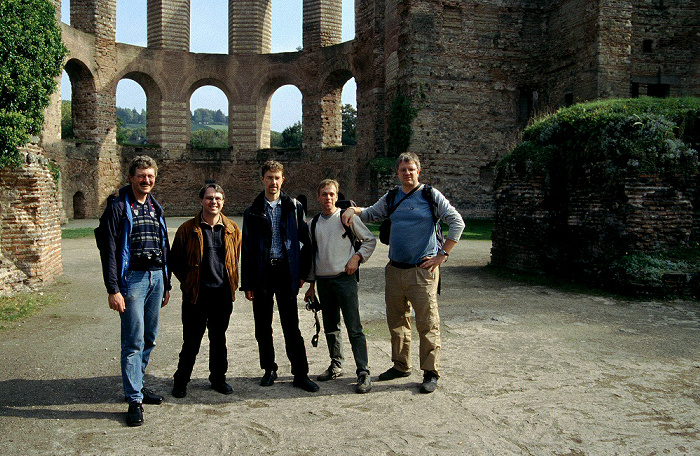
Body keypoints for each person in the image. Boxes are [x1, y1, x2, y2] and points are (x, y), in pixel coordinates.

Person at [342, 152, 465, 394]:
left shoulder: (430, 195)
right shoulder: (392, 197)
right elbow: (371, 214)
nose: (407, 173)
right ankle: (401, 365)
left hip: (422, 270)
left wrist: (443, 255)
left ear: (418, 171)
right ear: (397, 173)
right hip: (395, 270)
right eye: (403, 170)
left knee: (427, 323)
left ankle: (430, 372)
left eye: (411, 169)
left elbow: (457, 222)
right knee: (397, 321)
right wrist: (353, 211)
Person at [95, 155, 171, 426]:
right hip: (133, 280)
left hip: (155, 278)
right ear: (131, 177)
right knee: (133, 340)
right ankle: (134, 399)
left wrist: (166, 282)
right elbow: (110, 251)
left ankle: (137, 385)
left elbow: (164, 246)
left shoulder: (154, 207)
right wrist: (113, 288)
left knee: (149, 337)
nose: (146, 180)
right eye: (141, 175)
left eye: (150, 176)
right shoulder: (117, 206)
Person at [240, 160, 319, 392]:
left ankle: (300, 373)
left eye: (277, 178)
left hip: (285, 271)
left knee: (290, 325)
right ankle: (269, 369)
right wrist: (248, 283)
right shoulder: (252, 211)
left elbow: (306, 242)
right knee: (263, 325)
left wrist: (302, 273)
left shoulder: (293, 207)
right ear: (262, 179)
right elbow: (247, 248)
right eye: (269, 177)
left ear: (283, 180)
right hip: (263, 272)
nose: (273, 182)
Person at [304, 179, 377, 394]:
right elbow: (312, 256)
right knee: (331, 327)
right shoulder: (313, 224)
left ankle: (363, 371)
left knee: (354, 327)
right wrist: (311, 285)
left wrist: (357, 258)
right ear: (318, 197)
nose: (328, 198)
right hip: (324, 281)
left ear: (337, 197)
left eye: (331, 194)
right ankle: (336, 364)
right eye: (324, 194)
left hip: (345, 279)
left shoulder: (347, 218)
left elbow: (370, 240)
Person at [169, 184, 241, 398]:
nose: (214, 202)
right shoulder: (187, 229)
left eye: (218, 198)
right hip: (196, 295)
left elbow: (233, 259)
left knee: (219, 339)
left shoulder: (232, 229)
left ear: (223, 202)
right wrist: (190, 281)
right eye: (209, 198)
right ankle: (181, 380)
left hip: (222, 294)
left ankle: (218, 378)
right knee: (191, 340)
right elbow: (175, 261)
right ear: (201, 201)